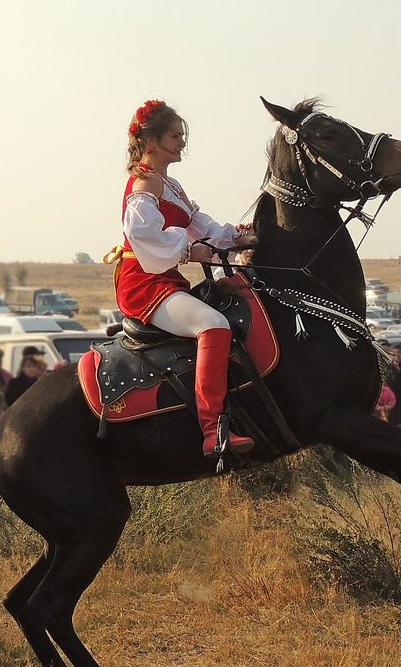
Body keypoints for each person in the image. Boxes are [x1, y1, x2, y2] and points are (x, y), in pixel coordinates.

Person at [110, 99, 257, 457]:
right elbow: (146, 238)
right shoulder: (144, 184)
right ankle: (213, 430)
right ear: (152, 141)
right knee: (215, 326)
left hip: (164, 280)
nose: (182, 142)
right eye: (175, 135)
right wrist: (190, 252)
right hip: (143, 285)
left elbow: (200, 226)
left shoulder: (169, 184)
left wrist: (241, 237)